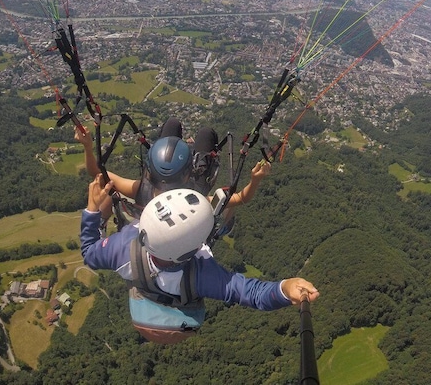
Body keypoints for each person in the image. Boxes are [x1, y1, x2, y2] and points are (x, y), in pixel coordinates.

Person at [80, 175, 319, 343]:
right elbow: (252, 293)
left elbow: (90, 252)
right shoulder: (201, 275)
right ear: (195, 249)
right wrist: (284, 290)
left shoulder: (122, 249)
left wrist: (94, 209)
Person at [74, 122, 271, 223]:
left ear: (149, 173)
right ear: (190, 172)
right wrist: (255, 180)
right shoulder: (195, 197)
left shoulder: (141, 189)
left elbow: (98, 173)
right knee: (206, 134)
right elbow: (240, 198)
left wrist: (88, 147)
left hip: (149, 204)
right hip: (191, 191)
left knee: (172, 124)